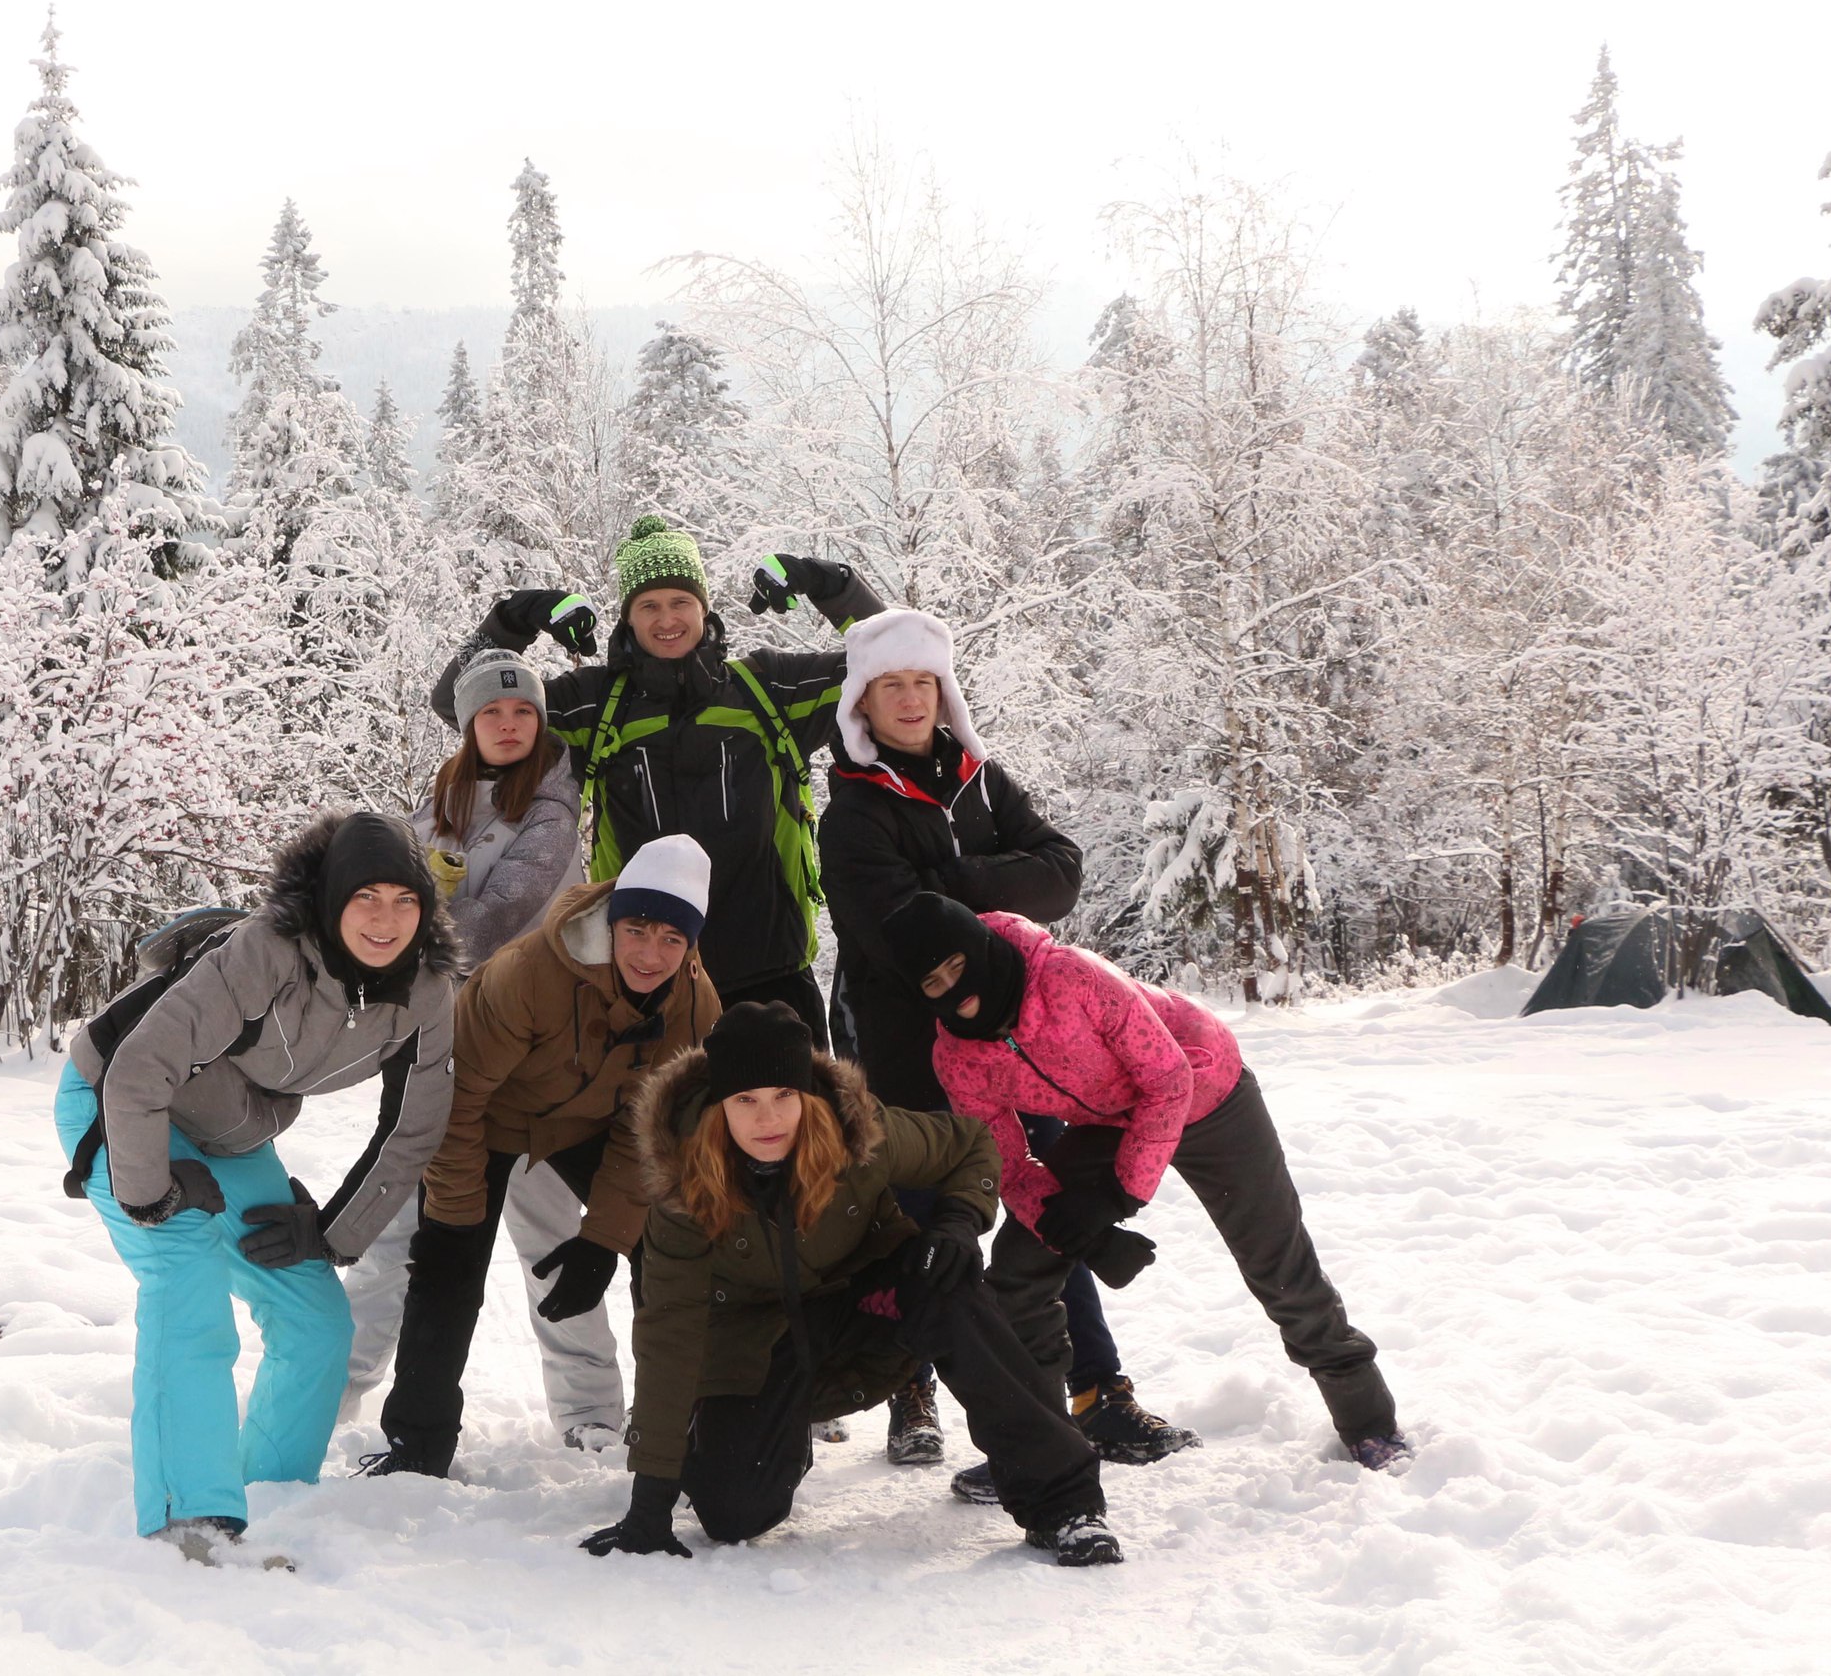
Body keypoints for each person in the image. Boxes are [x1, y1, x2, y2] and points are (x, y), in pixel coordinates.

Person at [878, 892, 1414, 1496]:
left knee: (1277, 1264)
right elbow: (1008, 1163)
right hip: (1109, 1119)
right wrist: (1070, 1228)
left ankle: (1369, 1422)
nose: (956, 989)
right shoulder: (959, 1056)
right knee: (1019, 1271)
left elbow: (1166, 1080)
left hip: (1208, 1089)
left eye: (957, 964)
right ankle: (1033, 1445)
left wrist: (1115, 1199)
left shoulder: (1071, 976)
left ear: (981, 947)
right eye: (933, 981)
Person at [817, 609, 1183, 1472]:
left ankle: (1095, 1392)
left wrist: (957, 880)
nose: (910, 700)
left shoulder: (981, 780)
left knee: (1047, 1211)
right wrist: (978, 903)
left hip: (1023, 1052)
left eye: (923, 683)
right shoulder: (852, 813)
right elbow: (895, 932)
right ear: (861, 703)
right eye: (891, 685)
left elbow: (1062, 868)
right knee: (927, 1226)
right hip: (909, 1055)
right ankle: (919, 1388)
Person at [53, 813, 462, 1565]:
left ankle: (271, 1488)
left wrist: (331, 1233)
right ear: (333, 897)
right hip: (115, 1103)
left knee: (314, 1318)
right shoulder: (269, 952)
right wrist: (149, 1193)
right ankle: (191, 1520)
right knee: (186, 1272)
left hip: (230, 1133)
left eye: (405, 900)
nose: (385, 919)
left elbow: (412, 1132)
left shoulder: (428, 994)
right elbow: (139, 1070)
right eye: (365, 897)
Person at [582, 1002, 1122, 1567]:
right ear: (719, 1106)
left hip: (869, 1303)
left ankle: (1064, 1505)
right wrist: (650, 1503)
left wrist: (959, 1220)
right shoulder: (682, 1190)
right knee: (733, 1515)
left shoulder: (857, 1130)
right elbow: (669, 1336)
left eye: (783, 1096)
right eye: (745, 1100)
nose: (768, 1119)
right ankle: (752, 1439)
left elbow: (969, 1144)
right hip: (757, 1346)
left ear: (805, 1096)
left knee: (950, 1288)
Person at [429, 514, 886, 1039]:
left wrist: (836, 587)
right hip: (640, 980)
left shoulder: (768, 688)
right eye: (648, 605)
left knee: (791, 1121)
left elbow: (899, 667)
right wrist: (514, 618)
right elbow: (459, 705)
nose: (666, 619)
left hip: (771, 972)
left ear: (703, 608)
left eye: (680, 602)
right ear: (628, 618)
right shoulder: (594, 704)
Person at [364, 835, 723, 1477]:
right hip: (484, 1116)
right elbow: (460, 1097)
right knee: (448, 1270)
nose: (651, 953)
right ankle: (416, 1445)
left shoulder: (693, 1008)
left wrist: (605, 1239)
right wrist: (453, 1218)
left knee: (665, 1242)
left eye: (673, 939)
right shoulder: (529, 973)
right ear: (613, 920)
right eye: (637, 929)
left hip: (587, 1126)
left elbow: (647, 1132)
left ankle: (679, 1425)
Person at [341, 647, 628, 1449]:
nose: (509, 724)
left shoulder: (553, 809)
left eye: (524, 711)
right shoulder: (438, 807)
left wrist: (409, 937)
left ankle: (592, 1412)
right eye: (492, 712)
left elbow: (509, 909)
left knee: (549, 1239)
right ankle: (329, 1387)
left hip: (539, 1063)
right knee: (397, 1234)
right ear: (468, 724)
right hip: (441, 1057)